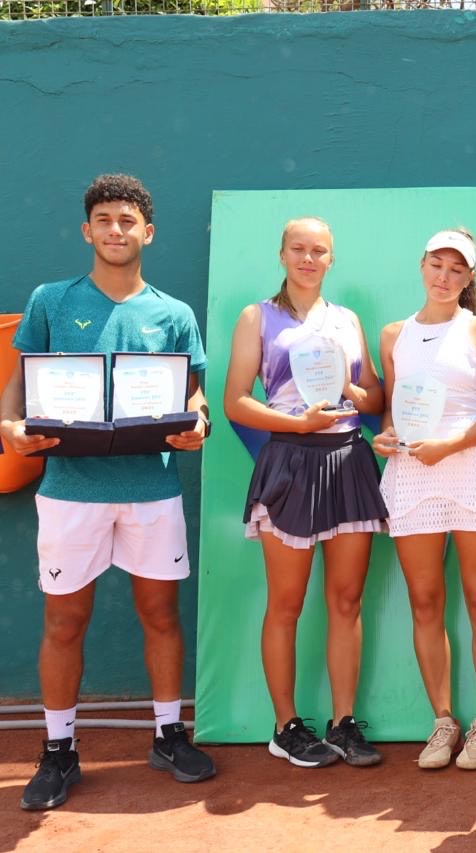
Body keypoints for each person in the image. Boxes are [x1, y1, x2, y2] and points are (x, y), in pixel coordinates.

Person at [1, 174, 216, 810]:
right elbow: (18, 386)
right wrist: (9, 427)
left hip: (151, 489)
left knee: (161, 615)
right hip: (70, 493)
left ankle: (168, 735)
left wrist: (199, 424)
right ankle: (59, 750)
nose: (115, 230)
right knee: (64, 620)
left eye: (127, 220)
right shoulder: (50, 301)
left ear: (148, 232)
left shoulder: (174, 313)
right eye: (104, 220)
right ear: (86, 230)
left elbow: (194, 394)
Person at [223, 216, 387, 768]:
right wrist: (298, 424)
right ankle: (285, 726)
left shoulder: (347, 319)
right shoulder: (256, 317)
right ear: (282, 254)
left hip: (349, 460)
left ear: (331, 259)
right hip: (289, 462)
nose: (308, 259)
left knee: (346, 601)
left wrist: (353, 392)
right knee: (286, 604)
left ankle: (344, 723)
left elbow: (372, 398)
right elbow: (235, 401)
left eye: (319, 251)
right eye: (298, 248)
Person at [371, 229, 476, 770]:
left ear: (469, 277)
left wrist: (449, 446)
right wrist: (386, 436)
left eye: (456, 269)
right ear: (422, 265)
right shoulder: (393, 335)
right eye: (437, 264)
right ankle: (442, 721)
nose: (444, 276)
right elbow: (393, 411)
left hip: (472, 469)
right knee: (425, 602)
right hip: (412, 475)